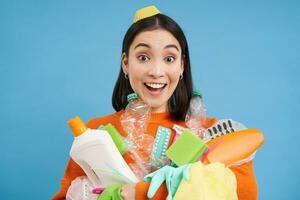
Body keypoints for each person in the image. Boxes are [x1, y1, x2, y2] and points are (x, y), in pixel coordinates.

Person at [52, 6, 259, 200]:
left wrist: (141, 192)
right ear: (126, 63)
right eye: (143, 57)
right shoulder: (96, 133)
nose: (156, 71)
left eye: (169, 59)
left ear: (181, 66)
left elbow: (242, 192)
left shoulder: (211, 134)